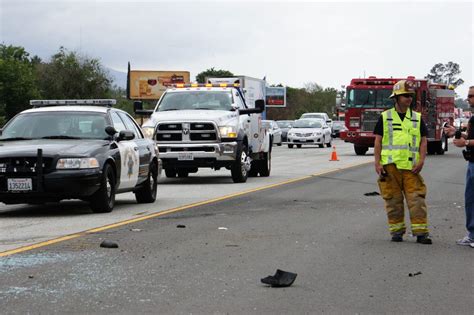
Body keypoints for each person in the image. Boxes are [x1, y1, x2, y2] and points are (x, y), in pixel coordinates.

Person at [373, 80, 432, 244]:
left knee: (417, 200)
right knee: (393, 200)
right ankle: (396, 232)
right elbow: (378, 141)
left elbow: (423, 141)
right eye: (406, 95)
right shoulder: (385, 117)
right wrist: (377, 163)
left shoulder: (417, 118)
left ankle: (421, 233)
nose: (409, 98)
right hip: (390, 167)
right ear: (397, 97)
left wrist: (421, 161)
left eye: (411, 95)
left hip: (411, 168)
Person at [444, 86, 474, 246]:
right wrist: (457, 132)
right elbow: (470, 136)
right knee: (470, 200)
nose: (468, 98)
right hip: (471, 162)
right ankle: (472, 234)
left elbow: (470, 140)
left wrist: (466, 142)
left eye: (471, 96)